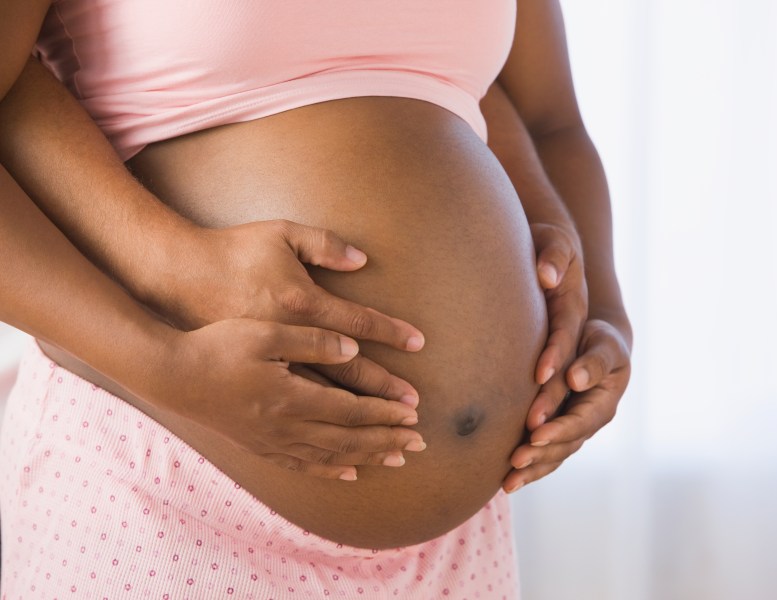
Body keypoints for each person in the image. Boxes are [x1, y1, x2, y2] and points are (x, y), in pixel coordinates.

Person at [0, 0, 632, 597]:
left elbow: (551, 121)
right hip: (164, 491)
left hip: (457, 547)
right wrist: (166, 356)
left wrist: (602, 312)